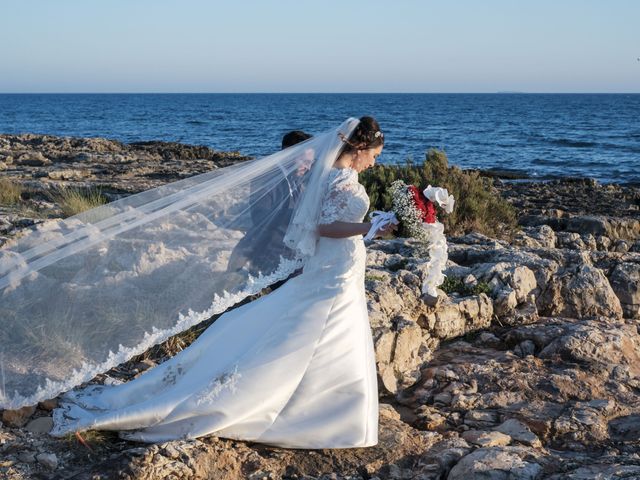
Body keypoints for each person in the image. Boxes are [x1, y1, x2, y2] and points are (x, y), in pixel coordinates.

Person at [12, 116, 393, 448]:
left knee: (318, 330)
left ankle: (321, 409)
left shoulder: (333, 176)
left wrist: (376, 225)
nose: (377, 162)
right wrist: (368, 226)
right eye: (375, 154)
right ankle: (316, 415)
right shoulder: (340, 179)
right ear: (359, 148)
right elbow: (325, 226)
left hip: (341, 264)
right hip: (336, 265)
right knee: (311, 328)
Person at [226, 130, 312, 277]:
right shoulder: (267, 179)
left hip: (291, 250)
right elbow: (260, 217)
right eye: (303, 161)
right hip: (268, 252)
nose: (307, 166)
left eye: (310, 162)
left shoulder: (297, 179)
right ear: (288, 154)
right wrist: (295, 217)